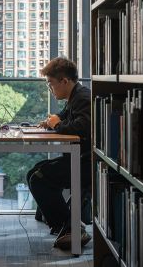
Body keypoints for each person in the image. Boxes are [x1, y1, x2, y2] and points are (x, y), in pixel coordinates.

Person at [26, 57, 92, 249]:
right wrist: (52, 122)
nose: (50, 89)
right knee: (34, 171)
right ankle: (63, 222)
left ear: (64, 81)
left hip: (86, 163)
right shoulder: (75, 97)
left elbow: (82, 127)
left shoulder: (83, 98)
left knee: (39, 178)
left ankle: (71, 227)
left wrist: (58, 124)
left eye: (51, 84)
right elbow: (64, 117)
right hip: (78, 159)